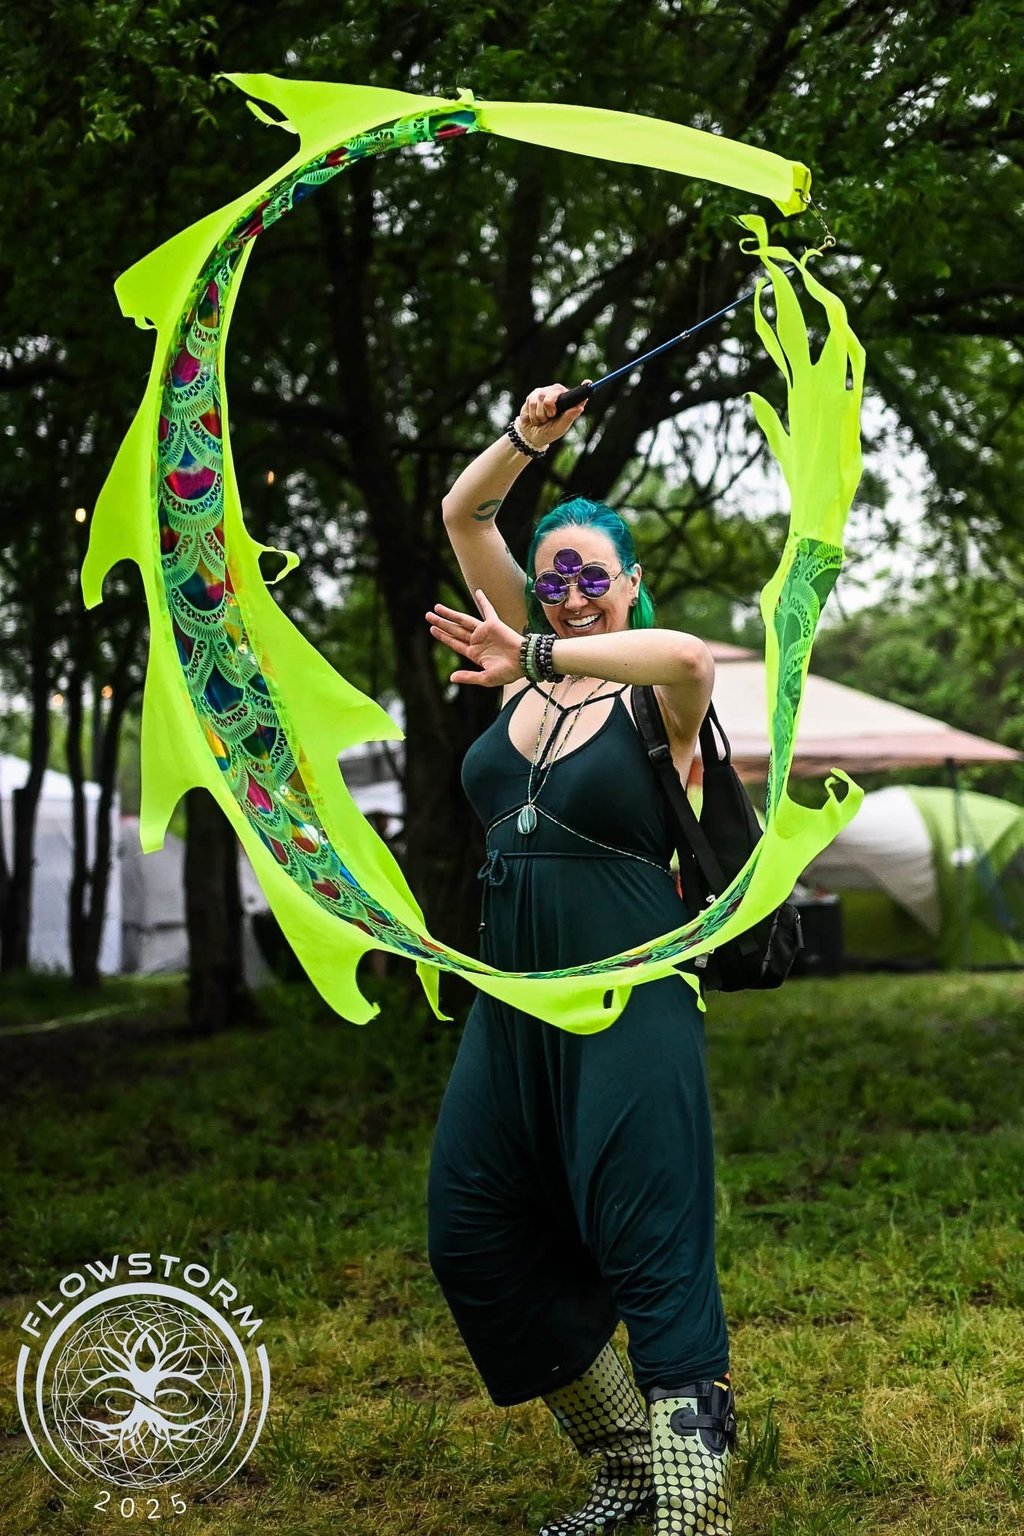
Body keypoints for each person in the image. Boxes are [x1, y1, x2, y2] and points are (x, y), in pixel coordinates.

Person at [424, 384, 738, 1536]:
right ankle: (624, 1465)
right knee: (469, 1225)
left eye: (589, 575)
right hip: (511, 1004)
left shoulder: (654, 695)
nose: (562, 591)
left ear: (628, 583)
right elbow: (465, 518)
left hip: (631, 1002)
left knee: (648, 1238)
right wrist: (523, 439)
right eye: (548, 575)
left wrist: (544, 647)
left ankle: (690, 1503)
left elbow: (693, 652)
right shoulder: (534, 667)